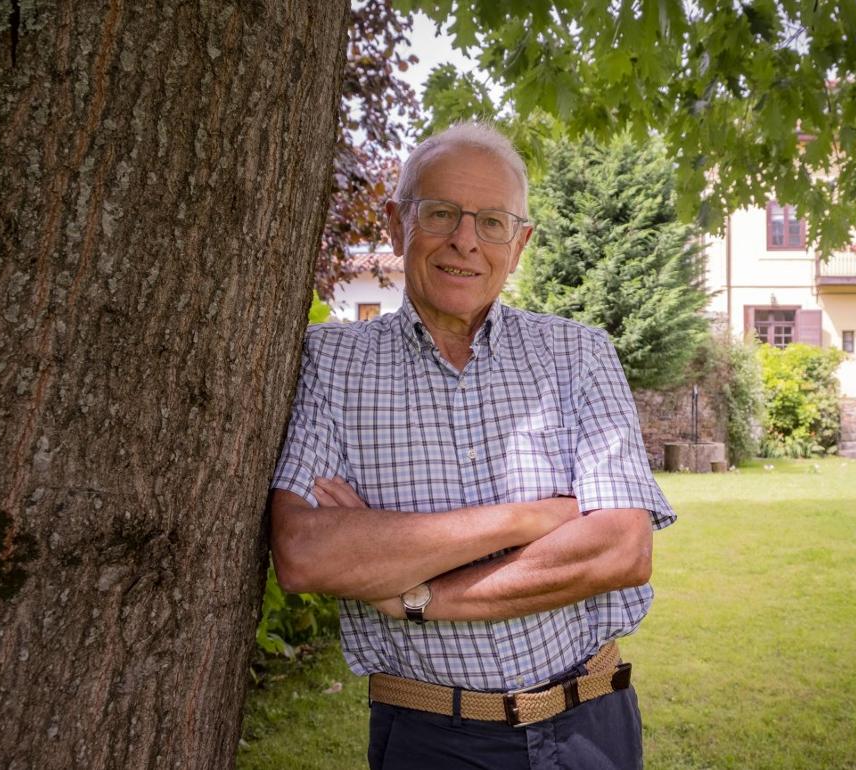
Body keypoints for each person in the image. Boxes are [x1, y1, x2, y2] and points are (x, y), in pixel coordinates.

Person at [269, 122, 676, 769]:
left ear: (520, 244)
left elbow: (622, 548)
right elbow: (305, 554)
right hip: (432, 739)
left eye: (492, 222)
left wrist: (415, 596)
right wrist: (532, 517)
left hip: (589, 728)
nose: (466, 240)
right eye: (442, 214)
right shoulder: (333, 361)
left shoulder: (579, 354)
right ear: (397, 221)